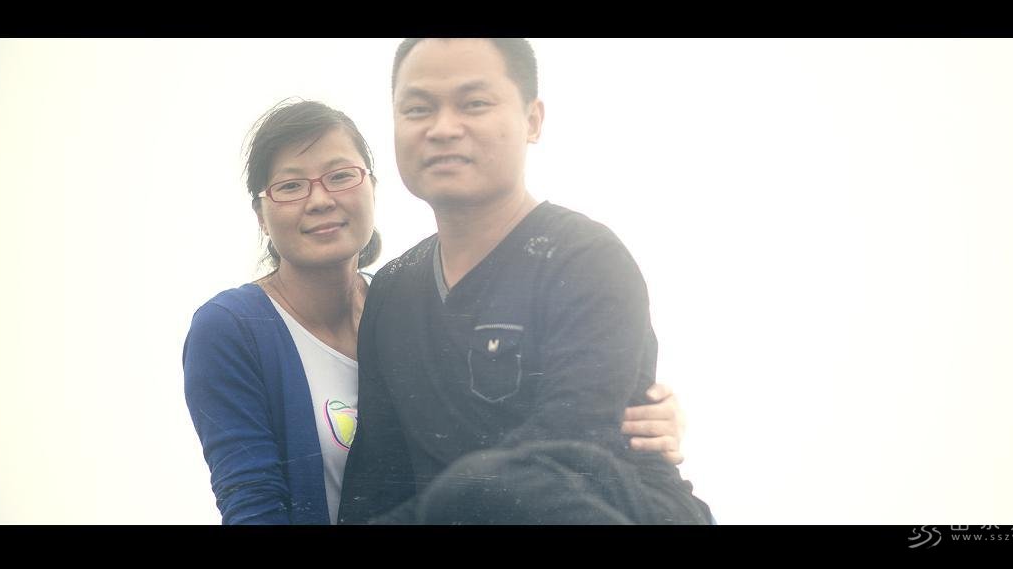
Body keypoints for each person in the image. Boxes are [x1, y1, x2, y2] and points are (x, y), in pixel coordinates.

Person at [183, 99, 689, 524]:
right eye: (291, 186)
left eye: (340, 176)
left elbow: (509, 413)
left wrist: (626, 421)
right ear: (261, 214)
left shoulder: (405, 304)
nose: (319, 200)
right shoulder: (232, 328)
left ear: (372, 186)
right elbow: (251, 501)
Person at [338, 39, 712, 524]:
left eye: (474, 103)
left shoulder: (585, 258)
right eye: (417, 109)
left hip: (607, 511)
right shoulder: (392, 290)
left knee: (497, 486)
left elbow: (565, 455)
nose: (443, 128)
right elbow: (377, 473)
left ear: (532, 120)